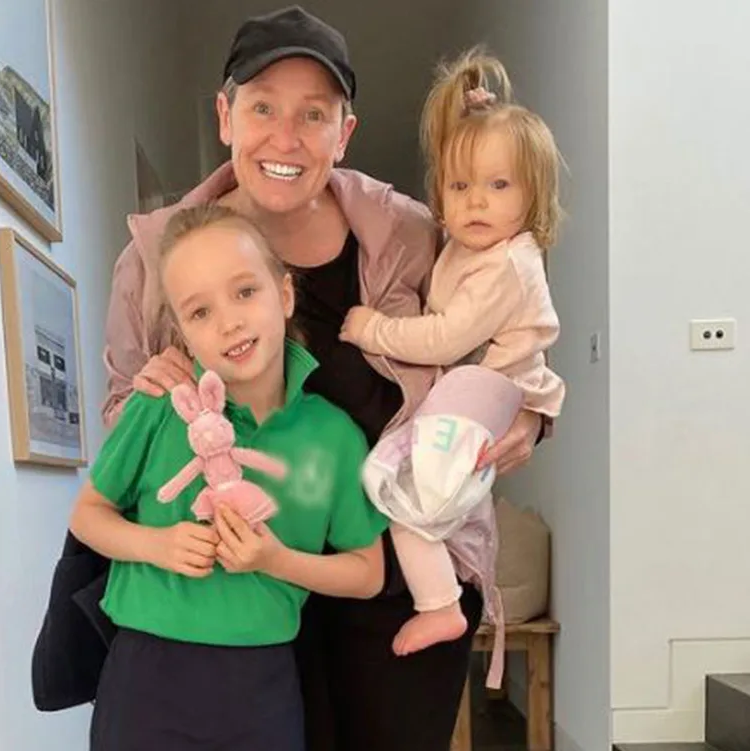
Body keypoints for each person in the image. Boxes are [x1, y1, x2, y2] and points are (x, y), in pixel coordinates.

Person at [101, 7, 549, 750]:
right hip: (238, 592)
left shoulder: (410, 233)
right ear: (225, 116)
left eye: (313, 114)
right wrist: (151, 390)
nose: (286, 137)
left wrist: (529, 413)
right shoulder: (154, 258)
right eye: (263, 108)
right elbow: (123, 420)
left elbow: (512, 319)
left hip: (398, 581)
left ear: (344, 133)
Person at [72, 203, 387, 751]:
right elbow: (87, 516)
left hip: (260, 687)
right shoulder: (159, 406)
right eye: (199, 312)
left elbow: (368, 573)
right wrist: (157, 545)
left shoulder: (335, 436)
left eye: (245, 292)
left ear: (284, 296)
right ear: (181, 334)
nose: (229, 322)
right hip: (146, 679)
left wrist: (276, 560)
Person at [339, 47, 566, 658]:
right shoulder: (467, 247)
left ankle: (439, 604)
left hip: (490, 391)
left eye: (498, 185)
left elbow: (445, 337)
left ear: (534, 194)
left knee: (404, 495)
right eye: (459, 186)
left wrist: (372, 329)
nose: (475, 202)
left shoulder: (507, 264)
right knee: (414, 489)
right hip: (476, 391)